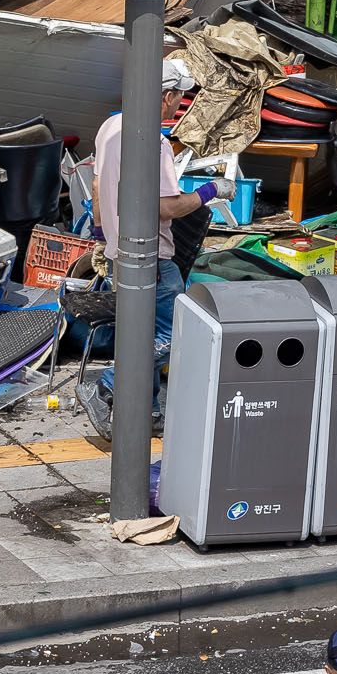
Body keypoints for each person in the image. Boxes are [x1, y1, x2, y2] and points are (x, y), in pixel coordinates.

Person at [91, 53, 217, 429]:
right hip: (153, 259)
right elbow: (166, 208)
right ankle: (108, 387)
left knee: (140, 330)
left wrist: (101, 234)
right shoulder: (155, 144)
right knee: (172, 334)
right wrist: (211, 191)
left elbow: (98, 186)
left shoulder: (110, 127)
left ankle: (149, 412)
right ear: (165, 96)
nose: (181, 104)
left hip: (120, 253)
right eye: (180, 96)